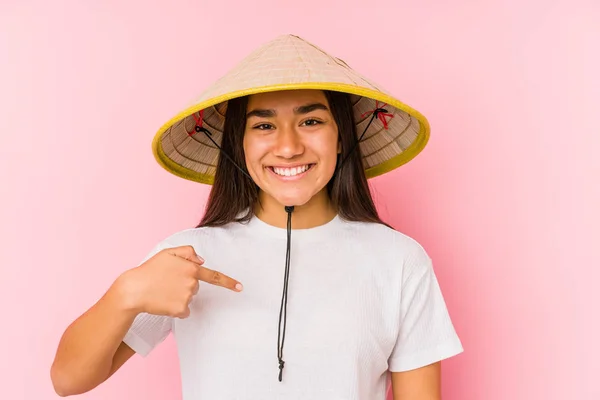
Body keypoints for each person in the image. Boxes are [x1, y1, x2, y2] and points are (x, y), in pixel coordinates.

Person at [51, 34, 463, 399]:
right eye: (264, 125)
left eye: (312, 121)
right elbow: (68, 380)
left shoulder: (399, 261)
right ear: (240, 143)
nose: (287, 147)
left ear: (341, 139)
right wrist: (126, 292)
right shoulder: (188, 257)